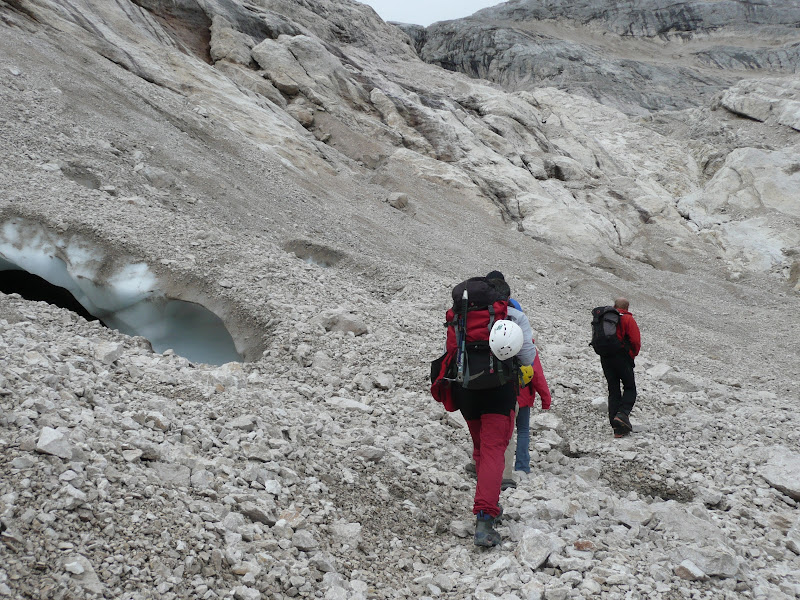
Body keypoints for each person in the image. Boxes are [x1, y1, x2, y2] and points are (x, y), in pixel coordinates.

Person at [453, 272, 537, 547]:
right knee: (494, 452)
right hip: (499, 391)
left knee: (480, 448)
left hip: (465, 389)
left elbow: (451, 350)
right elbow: (527, 356)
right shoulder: (513, 316)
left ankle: (487, 503)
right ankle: (485, 518)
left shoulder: (462, 315)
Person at [501, 343, 551, 486]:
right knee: (523, 430)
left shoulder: (501, 345)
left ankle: (502, 466)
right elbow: (537, 376)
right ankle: (522, 466)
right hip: (523, 398)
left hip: (505, 398)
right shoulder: (528, 349)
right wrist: (546, 400)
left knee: (506, 433)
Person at [601, 297, 641, 438]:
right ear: (627, 308)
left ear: (614, 305)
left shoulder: (605, 318)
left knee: (613, 390)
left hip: (605, 358)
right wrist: (632, 355)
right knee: (630, 388)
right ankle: (622, 414)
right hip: (622, 357)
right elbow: (635, 341)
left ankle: (617, 428)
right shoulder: (628, 319)